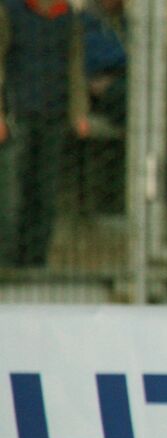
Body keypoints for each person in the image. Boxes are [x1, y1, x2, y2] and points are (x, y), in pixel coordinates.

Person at [0, 0, 90, 268]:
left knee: (45, 196)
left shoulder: (67, 16)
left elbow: (74, 63)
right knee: (12, 196)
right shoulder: (9, 11)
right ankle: (7, 264)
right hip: (19, 114)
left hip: (54, 113)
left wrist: (78, 112)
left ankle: (36, 262)